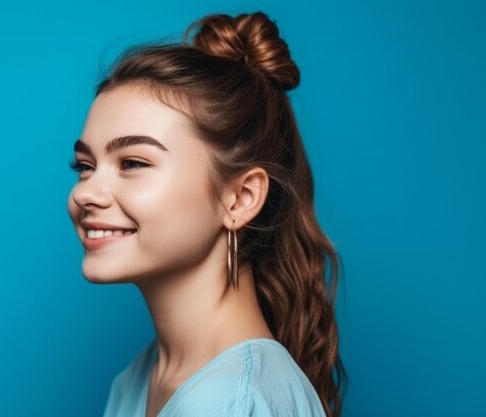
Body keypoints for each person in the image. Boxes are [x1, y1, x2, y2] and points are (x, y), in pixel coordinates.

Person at [67, 11, 345, 417]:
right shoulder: (137, 380)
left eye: (132, 163)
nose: (86, 192)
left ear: (240, 199)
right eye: (84, 167)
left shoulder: (236, 401)